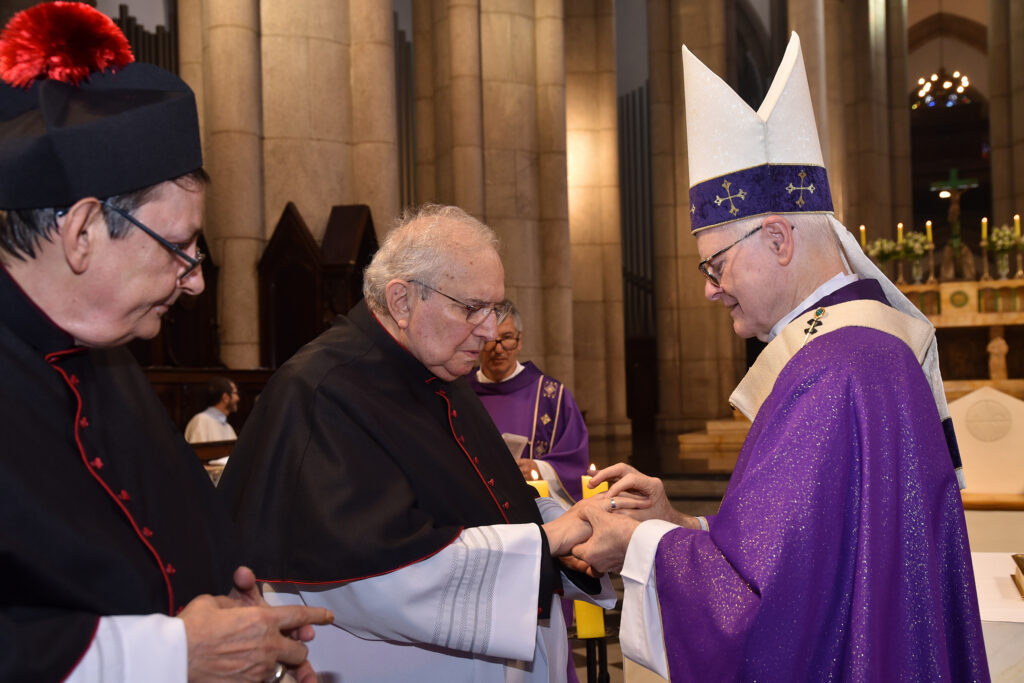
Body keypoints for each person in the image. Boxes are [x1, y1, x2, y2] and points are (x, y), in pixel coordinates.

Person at [571, 33, 989, 681]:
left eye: (715, 263)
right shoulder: (868, 350)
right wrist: (680, 522)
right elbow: (806, 554)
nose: (709, 288)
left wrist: (637, 544)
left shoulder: (829, 372)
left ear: (776, 237)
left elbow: (759, 611)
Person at [0, 4, 331, 681]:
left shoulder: (114, 363)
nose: (197, 284)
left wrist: (238, 617)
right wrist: (173, 655)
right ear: (84, 229)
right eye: (178, 247)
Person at [220, 204, 614, 682]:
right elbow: (371, 576)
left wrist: (572, 528)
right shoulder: (320, 390)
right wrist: (546, 540)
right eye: (472, 309)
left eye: (495, 310)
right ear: (402, 301)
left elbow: (486, 502)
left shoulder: (442, 374)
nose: (490, 332)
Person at [468, 300, 589, 508]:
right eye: (490, 339)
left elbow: (576, 461)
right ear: (478, 340)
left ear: (519, 340)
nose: (498, 349)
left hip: (535, 513)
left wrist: (537, 468)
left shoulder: (552, 396)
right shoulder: (457, 393)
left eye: (507, 338)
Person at [185, 376, 239, 466]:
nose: (238, 398)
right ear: (225, 397)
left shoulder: (228, 426)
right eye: (235, 393)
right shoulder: (201, 421)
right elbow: (197, 459)